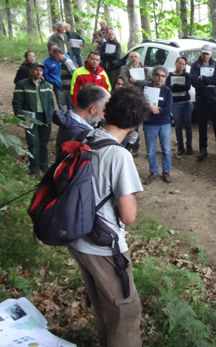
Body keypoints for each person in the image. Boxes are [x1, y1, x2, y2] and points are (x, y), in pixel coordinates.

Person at [67, 85, 148, 347]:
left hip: (79, 238)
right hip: (105, 247)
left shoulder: (87, 137)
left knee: (103, 307)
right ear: (135, 124)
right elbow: (128, 216)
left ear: (108, 111)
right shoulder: (119, 155)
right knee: (125, 312)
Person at [12, 62, 55, 175]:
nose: (38, 72)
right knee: (33, 143)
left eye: (40, 70)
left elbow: (51, 102)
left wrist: (50, 115)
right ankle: (34, 169)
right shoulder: (22, 84)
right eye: (36, 70)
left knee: (43, 143)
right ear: (30, 70)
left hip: (45, 117)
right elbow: (17, 102)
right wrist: (20, 118)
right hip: (30, 117)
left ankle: (44, 166)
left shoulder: (46, 84)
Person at [190, 44, 216, 159]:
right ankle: (203, 149)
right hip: (201, 100)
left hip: (214, 99)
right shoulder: (195, 66)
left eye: (207, 53)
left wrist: (203, 78)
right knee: (202, 125)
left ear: (210, 54)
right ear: (200, 53)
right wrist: (207, 81)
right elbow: (194, 82)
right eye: (204, 53)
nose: (205, 56)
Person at [53, 85, 109, 155]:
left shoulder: (68, 120)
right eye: (104, 110)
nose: (104, 117)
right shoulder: (80, 136)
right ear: (93, 109)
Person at [141, 66, 173, 185]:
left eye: (163, 76)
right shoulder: (145, 88)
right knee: (151, 150)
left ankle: (166, 172)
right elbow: (140, 103)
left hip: (164, 123)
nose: (160, 78)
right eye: (158, 75)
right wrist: (150, 107)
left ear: (165, 78)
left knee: (166, 149)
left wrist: (157, 110)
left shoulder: (167, 91)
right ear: (153, 76)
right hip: (149, 123)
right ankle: (153, 172)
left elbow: (168, 108)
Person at [166, 56, 193, 155]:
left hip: (186, 103)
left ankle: (189, 145)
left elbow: (187, 87)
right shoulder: (169, 76)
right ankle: (180, 147)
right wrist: (179, 87)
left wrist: (175, 86)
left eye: (183, 64)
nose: (181, 65)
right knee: (178, 126)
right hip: (175, 104)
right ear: (175, 63)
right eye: (179, 63)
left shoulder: (186, 75)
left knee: (188, 125)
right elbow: (168, 88)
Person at [43, 47, 76, 111]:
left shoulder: (68, 63)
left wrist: (72, 89)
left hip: (69, 90)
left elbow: (75, 77)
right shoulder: (62, 63)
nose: (53, 58)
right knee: (62, 106)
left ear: (58, 54)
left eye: (53, 56)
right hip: (62, 88)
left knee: (71, 108)